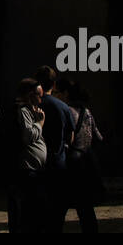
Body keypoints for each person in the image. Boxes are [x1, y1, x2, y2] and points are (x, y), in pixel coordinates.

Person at [33, 65, 76, 232]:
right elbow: (70, 138)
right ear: (54, 84)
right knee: (57, 214)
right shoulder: (63, 107)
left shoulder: (32, 106)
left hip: (36, 166)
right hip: (58, 164)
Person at [61, 78, 104, 233]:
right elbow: (98, 137)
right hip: (86, 162)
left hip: (72, 163)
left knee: (60, 206)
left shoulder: (67, 111)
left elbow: (67, 139)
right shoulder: (87, 112)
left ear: (66, 94)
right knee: (85, 208)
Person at [9, 78, 47, 233]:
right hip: (27, 169)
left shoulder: (29, 110)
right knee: (28, 210)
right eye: (39, 96)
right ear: (30, 95)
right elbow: (28, 136)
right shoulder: (23, 111)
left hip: (32, 168)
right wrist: (40, 123)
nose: (41, 100)